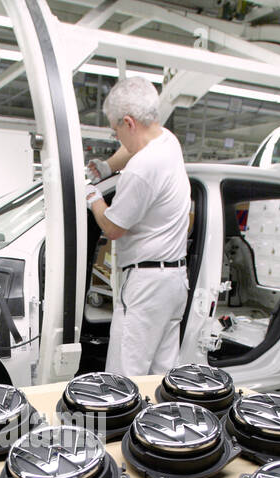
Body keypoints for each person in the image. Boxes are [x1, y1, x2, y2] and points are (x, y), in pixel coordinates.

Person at [84, 76, 191, 376]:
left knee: (126, 376)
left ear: (129, 122)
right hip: (173, 282)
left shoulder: (142, 170)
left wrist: (93, 197)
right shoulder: (167, 141)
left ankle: (124, 424)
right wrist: (108, 166)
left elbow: (113, 227)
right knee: (162, 374)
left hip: (145, 287)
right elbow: (132, 149)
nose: (117, 137)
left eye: (116, 129)